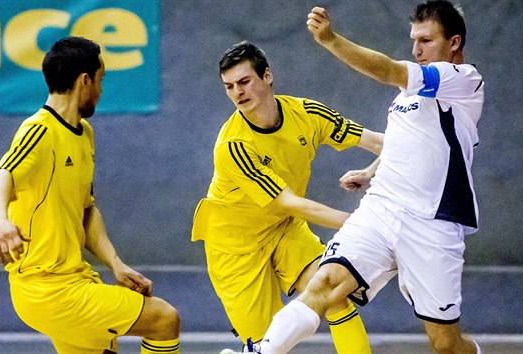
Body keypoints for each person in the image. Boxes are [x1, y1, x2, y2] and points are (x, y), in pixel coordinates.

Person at [258, 1, 485, 353]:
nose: (416, 49)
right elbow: (407, 140)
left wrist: (331, 40)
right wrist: (369, 171)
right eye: (413, 40)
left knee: (445, 344)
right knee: (325, 283)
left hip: (432, 222)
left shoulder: (464, 81)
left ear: (454, 42)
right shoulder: (407, 97)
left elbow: (390, 70)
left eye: (425, 40)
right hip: (381, 209)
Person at [0, 36, 180, 354]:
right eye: (101, 81)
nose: (101, 91)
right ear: (85, 80)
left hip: (74, 280)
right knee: (164, 319)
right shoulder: (39, 131)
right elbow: (1, 177)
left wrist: (116, 265)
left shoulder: (84, 134)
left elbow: (86, 210)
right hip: (48, 289)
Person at [191, 41, 384, 354]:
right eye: (229, 87)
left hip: (283, 229)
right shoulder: (233, 145)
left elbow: (383, 143)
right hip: (235, 245)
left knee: (334, 291)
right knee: (267, 345)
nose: (237, 93)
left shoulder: (307, 114)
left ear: (267, 76)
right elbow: (289, 201)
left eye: (244, 82)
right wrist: (358, 224)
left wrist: (370, 171)